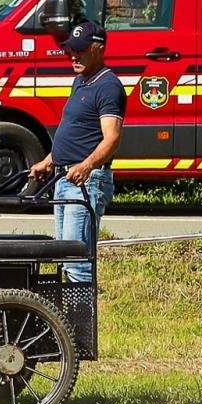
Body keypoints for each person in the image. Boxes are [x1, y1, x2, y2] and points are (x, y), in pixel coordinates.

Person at [26, 20, 126, 283]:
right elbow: (74, 129)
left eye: (80, 49)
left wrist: (86, 166)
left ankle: (80, 323)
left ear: (98, 48)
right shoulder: (80, 82)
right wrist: (48, 161)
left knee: (76, 261)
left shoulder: (109, 86)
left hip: (85, 181)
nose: (74, 55)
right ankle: (65, 323)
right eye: (71, 49)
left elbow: (112, 138)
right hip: (63, 179)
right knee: (64, 257)